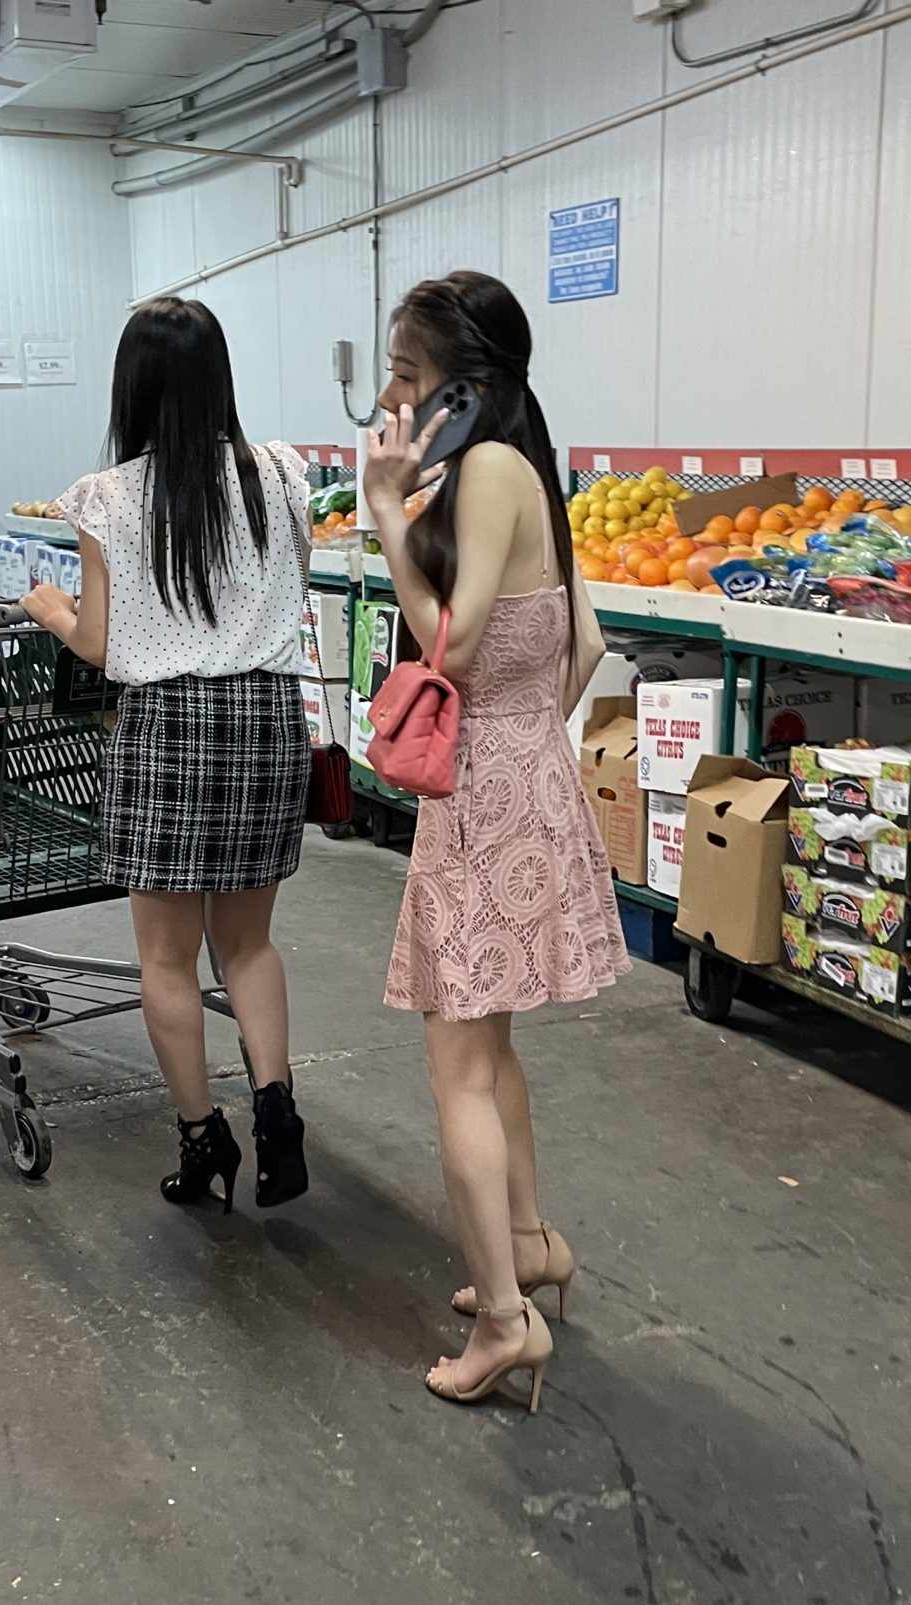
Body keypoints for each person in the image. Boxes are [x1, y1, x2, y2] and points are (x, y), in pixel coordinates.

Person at [362, 271, 629, 1415]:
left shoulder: (480, 475)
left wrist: (386, 517)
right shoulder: (525, 467)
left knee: (457, 1072)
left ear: (460, 385)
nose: (390, 396)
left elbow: (451, 649)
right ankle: (526, 1248)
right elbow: (587, 641)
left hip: (480, 797)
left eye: (406, 375)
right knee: (493, 1051)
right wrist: (527, 741)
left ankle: (506, 1326)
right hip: (525, 777)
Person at [21, 298, 314, 1213]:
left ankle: (203, 1138)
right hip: (267, 720)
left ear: (134, 387)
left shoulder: (107, 497)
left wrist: (51, 610)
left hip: (169, 728)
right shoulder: (284, 473)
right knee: (248, 944)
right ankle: (277, 1113)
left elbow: (101, 643)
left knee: (166, 957)